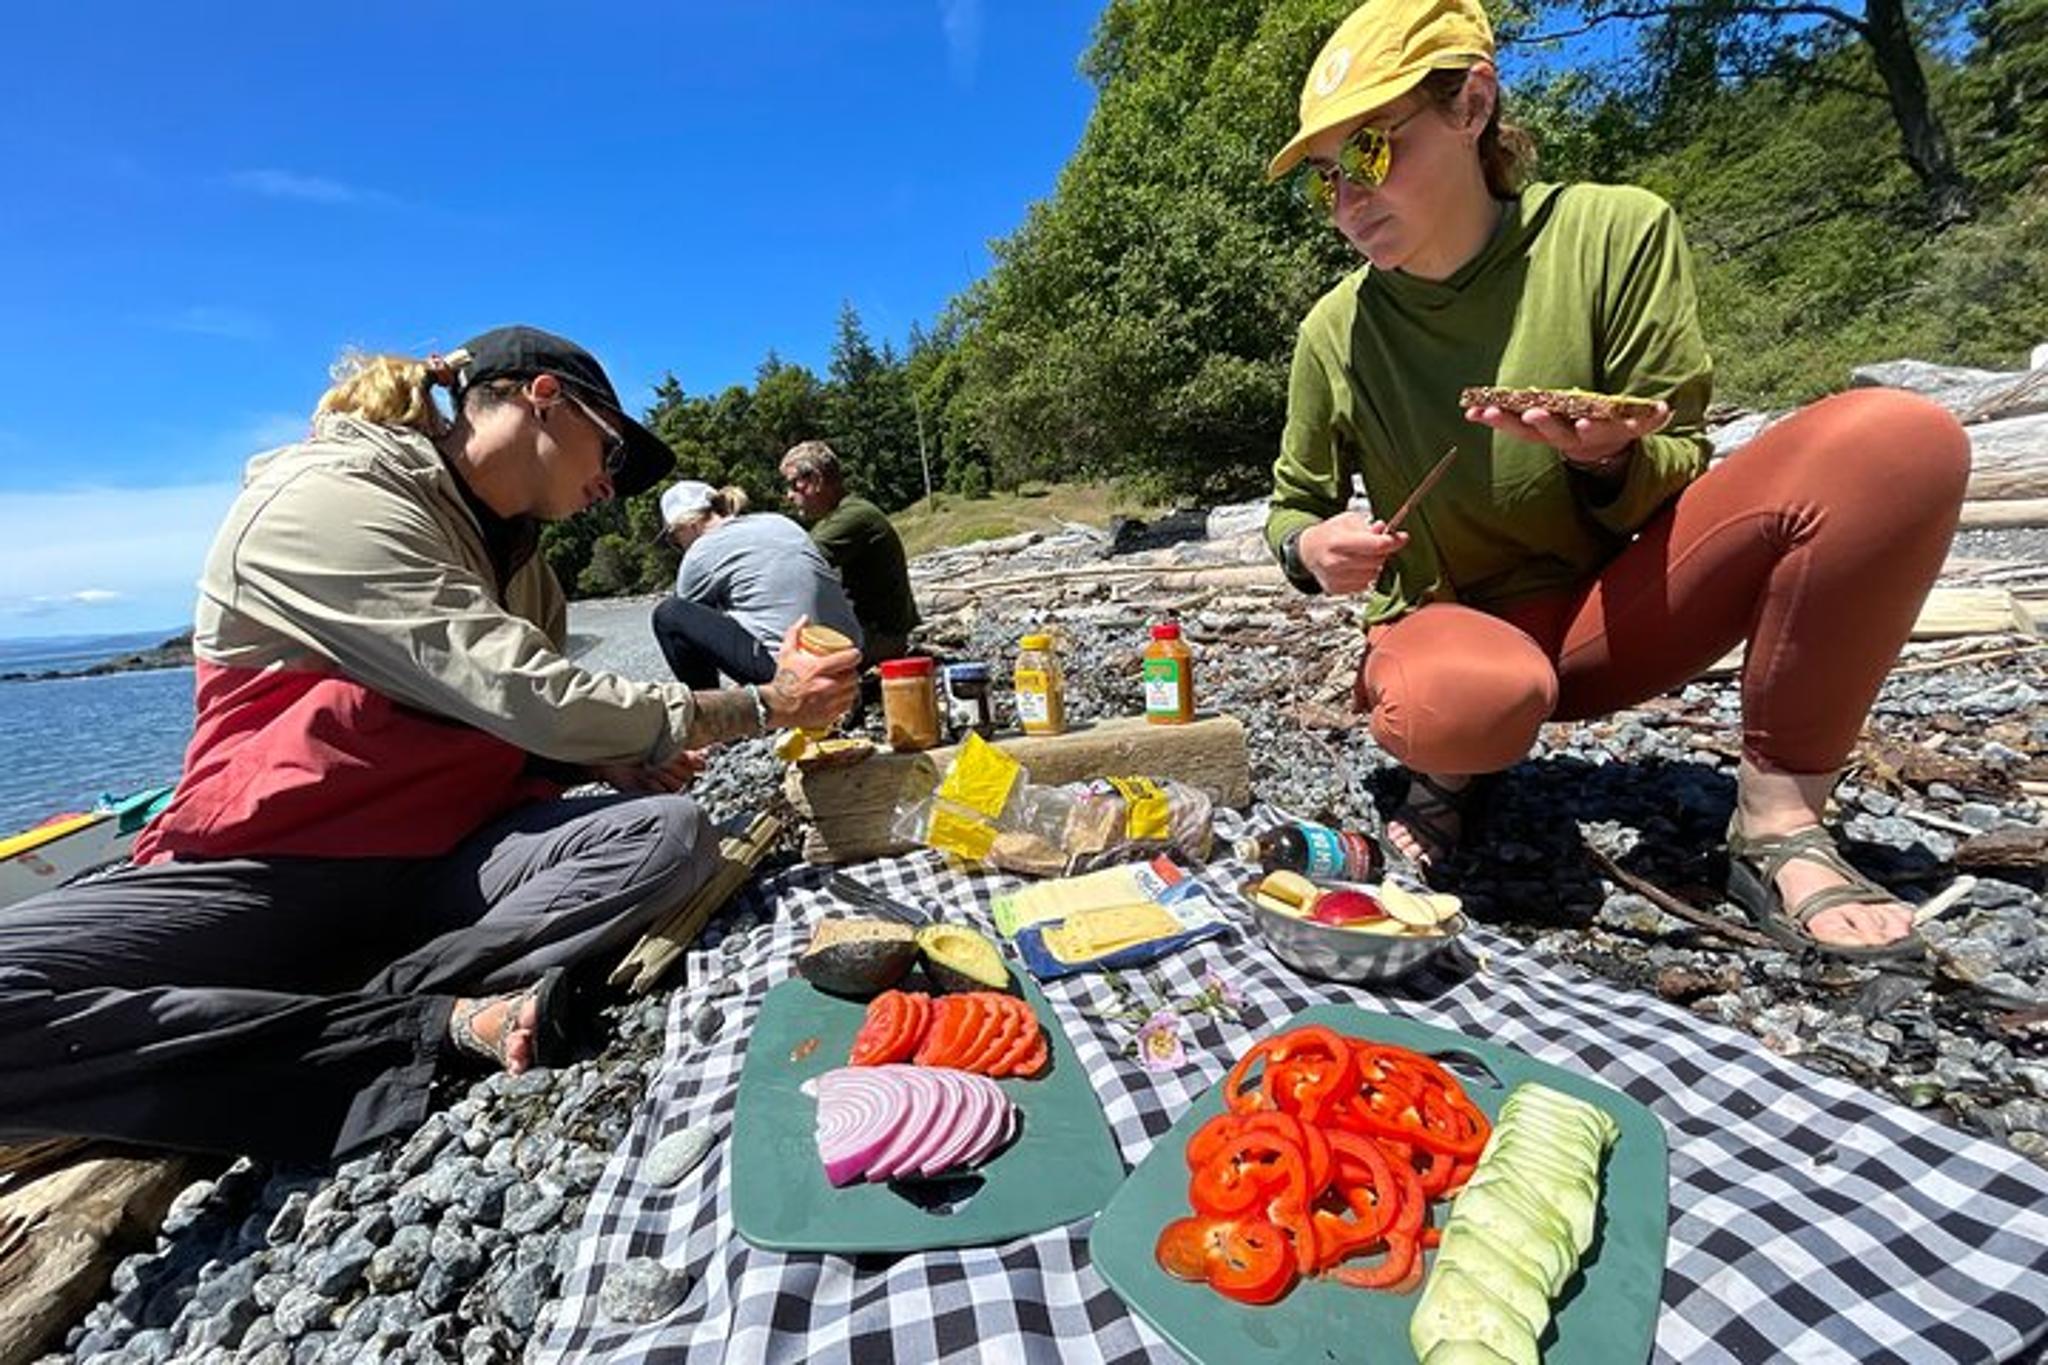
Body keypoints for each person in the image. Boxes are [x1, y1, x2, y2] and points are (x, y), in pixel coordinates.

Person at [0, 325, 861, 1161]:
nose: (612, 485)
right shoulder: (329, 499)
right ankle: (416, 1021)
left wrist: (592, 758)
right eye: (610, 450)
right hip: (273, 868)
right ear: (543, 400)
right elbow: (524, 690)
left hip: (446, 861)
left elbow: (506, 724)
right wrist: (761, 704)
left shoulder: (532, 575)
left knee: (668, 835)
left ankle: (330, 1008)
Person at [1263, 0, 1969, 958]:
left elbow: (1683, 453)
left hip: (1617, 609)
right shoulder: (1333, 333)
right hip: (1458, 627)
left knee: (1897, 442)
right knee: (1455, 705)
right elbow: (1294, 508)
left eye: (1376, 153)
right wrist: (1313, 548)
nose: (1349, 198)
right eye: (1329, 175)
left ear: (1472, 105)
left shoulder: (1615, 233)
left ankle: (1779, 822)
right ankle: (1449, 777)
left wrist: (1610, 455)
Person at [649, 478, 866, 688]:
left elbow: (694, 631)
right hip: (851, 658)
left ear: (689, 524)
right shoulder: (778, 521)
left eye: (673, 539)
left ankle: (712, 715)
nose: (677, 546)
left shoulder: (700, 553)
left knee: (669, 615)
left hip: (794, 670)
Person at [779, 440, 920, 664]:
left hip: (880, 639)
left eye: (794, 484)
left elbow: (793, 565)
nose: (788, 495)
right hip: (878, 633)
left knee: (781, 658)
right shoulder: (844, 514)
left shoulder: (853, 517)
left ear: (816, 480)